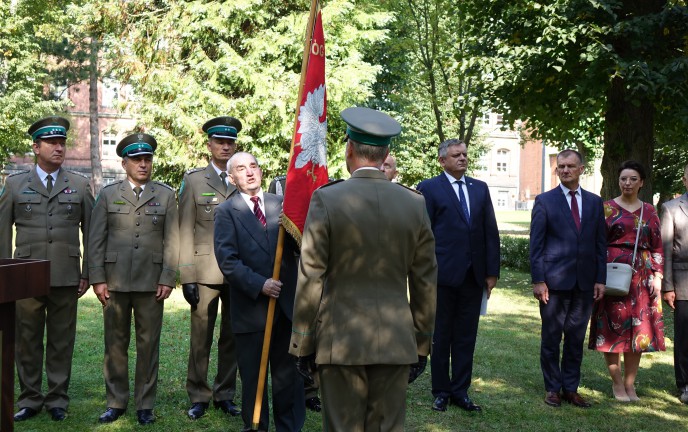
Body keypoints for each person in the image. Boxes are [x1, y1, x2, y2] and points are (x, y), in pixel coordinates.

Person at [290, 107, 437, 432]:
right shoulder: (414, 203)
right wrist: (422, 342)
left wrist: (302, 341)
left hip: (339, 341)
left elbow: (311, 275)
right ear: (386, 153)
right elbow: (425, 280)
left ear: (349, 149)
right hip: (396, 342)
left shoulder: (327, 200)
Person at [0, 116, 93, 422]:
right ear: (36, 147)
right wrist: (4, 274)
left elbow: (91, 232)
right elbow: (2, 232)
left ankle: (57, 399)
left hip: (66, 275)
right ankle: (29, 398)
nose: (59, 147)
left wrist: (88, 272)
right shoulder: (14, 185)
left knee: (61, 340)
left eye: (62, 142)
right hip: (25, 276)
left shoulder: (79, 185)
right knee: (26, 339)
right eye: (52, 143)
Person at [88, 133, 180, 425]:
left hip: (151, 283)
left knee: (148, 344)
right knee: (114, 344)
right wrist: (97, 279)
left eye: (148, 159)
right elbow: (95, 240)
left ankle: (145, 404)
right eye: (137, 159)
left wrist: (167, 277)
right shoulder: (108, 194)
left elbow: (173, 241)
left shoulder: (165, 195)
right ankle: (115, 402)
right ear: (124, 162)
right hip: (114, 282)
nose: (143, 164)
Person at [214, 152, 305, 432]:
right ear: (232, 178)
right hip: (251, 309)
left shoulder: (283, 206)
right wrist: (259, 284)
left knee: (287, 376)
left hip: (285, 307)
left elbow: (301, 248)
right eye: (241, 169)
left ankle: (288, 427)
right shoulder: (226, 212)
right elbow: (227, 261)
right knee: (254, 377)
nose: (249, 172)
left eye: (253, 166)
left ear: (261, 171)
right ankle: (256, 426)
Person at [417, 138, 500, 412]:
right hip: (441, 277)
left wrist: (491, 273)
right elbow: (423, 234)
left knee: (466, 337)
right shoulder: (428, 188)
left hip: (473, 277)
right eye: (456, 155)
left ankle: (460, 391)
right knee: (441, 335)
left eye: (464, 154)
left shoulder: (480, 188)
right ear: (442, 161)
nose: (462, 158)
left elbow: (490, 232)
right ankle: (441, 391)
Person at [529, 149, 606, 408]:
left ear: (581, 168)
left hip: (584, 283)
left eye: (570, 166)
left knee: (575, 338)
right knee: (551, 336)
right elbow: (536, 244)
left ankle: (570, 388)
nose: (564, 170)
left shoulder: (595, 203)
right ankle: (552, 387)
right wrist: (538, 279)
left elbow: (599, 245)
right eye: (560, 166)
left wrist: (600, 279)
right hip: (553, 283)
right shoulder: (545, 201)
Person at [179, 116, 241, 420]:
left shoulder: (244, 178)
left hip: (239, 273)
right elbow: (183, 230)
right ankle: (199, 394)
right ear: (210, 145)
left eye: (230, 142)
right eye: (220, 141)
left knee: (232, 336)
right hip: (204, 272)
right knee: (200, 336)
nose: (225, 146)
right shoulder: (193, 181)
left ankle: (225, 394)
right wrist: (187, 275)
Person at [588, 160, 665, 401]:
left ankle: (631, 384)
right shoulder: (606, 209)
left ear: (641, 183)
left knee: (638, 331)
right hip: (611, 273)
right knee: (611, 330)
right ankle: (617, 384)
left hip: (642, 276)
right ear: (618, 181)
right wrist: (597, 276)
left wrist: (659, 275)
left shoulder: (649, 211)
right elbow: (595, 244)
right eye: (623, 179)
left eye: (633, 179)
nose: (628, 183)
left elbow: (657, 245)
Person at [267, 174, 322, 413]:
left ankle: (312, 388)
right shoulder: (280, 184)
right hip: (292, 269)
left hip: (319, 267)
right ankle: (292, 386)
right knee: (292, 327)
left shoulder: (323, 183)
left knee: (315, 325)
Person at [660, 163, 688, 403]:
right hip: (682, 283)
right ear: (684, 179)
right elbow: (666, 250)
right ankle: (685, 384)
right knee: (684, 336)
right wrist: (667, 286)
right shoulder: (671, 208)